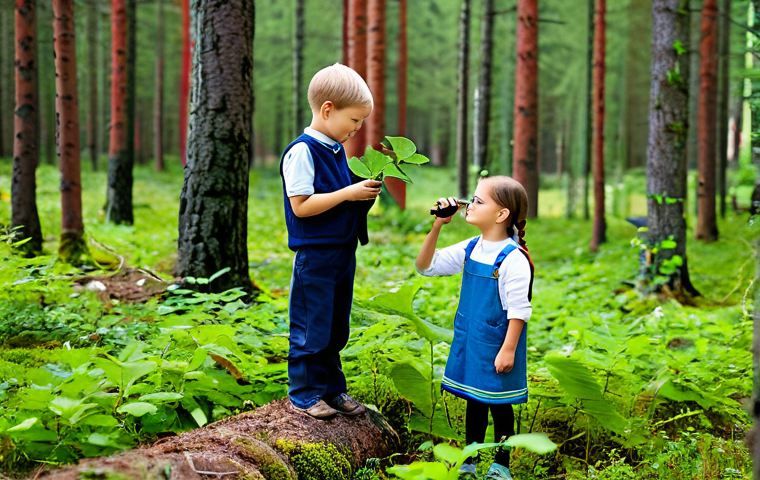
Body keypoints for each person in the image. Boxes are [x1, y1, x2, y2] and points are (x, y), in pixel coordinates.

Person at [415, 176, 535, 480]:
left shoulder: (512, 259)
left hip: (498, 342)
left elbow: (519, 311)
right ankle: (470, 458)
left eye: (478, 201)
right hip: (472, 338)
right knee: (475, 399)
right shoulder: (472, 247)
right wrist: (438, 226)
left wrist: (508, 350)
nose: (469, 203)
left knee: (500, 403)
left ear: (501, 214)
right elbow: (426, 266)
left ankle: (502, 463)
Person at [280, 63, 382, 419]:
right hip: (316, 256)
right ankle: (304, 392)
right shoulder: (302, 152)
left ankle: (332, 390)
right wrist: (348, 193)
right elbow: (302, 207)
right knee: (312, 324)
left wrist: (362, 197)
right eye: (354, 120)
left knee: (336, 325)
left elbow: (343, 201)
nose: (357, 129)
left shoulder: (338, 152)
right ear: (327, 110)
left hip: (343, 253)